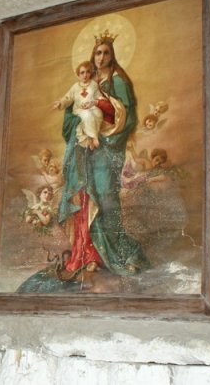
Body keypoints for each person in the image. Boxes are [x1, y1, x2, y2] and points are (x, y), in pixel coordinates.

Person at [57, 30, 149, 276]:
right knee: (85, 197)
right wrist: (79, 126)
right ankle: (88, 254)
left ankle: (122, 254)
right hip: (84, 147)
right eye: (98, 52)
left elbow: (126, 117)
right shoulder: (85, 80)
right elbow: (70, 111)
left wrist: (107, 135)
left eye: (106, 53)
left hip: (106, 149)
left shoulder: (118, 81)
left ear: (112, 55)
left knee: (106, 200)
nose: (101, 57)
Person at [53, 61, 107, 150]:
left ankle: (91, 137)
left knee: (98, 113)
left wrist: (101, 99)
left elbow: (98, 96)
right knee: (87, 115)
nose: (85, 75)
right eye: (82, 73)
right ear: (78, 74)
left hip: (92, 107)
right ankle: (94, 137)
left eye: (87, 72)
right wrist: (60, 103)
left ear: (90, 73)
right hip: (79, 110)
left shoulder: (93, 84)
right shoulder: (75, 87)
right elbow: (68, 98)